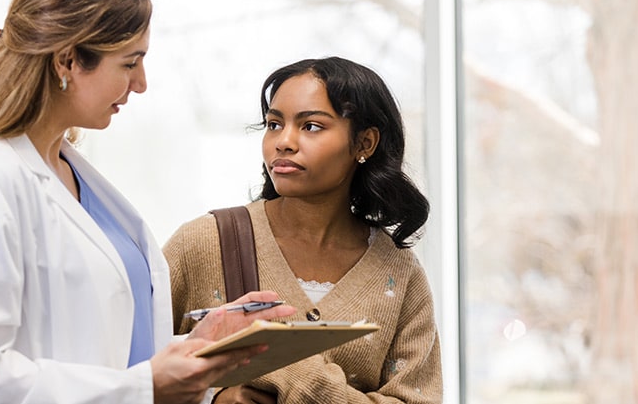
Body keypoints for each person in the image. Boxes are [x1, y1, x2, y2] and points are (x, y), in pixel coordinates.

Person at [0, 0, 295, 403]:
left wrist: (195, 345)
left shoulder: (72, 174)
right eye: (129, 63)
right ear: (68, 61)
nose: (140, 83)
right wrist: (144, 388)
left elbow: (103, 349)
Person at [164, 56, 443, 403]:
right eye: (274, 124)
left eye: (310, 126)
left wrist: (292, 374)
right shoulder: (204, 243)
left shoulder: (399, 273)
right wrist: (215, 399)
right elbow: (130, 377)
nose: (284, 141)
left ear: (364, 144)